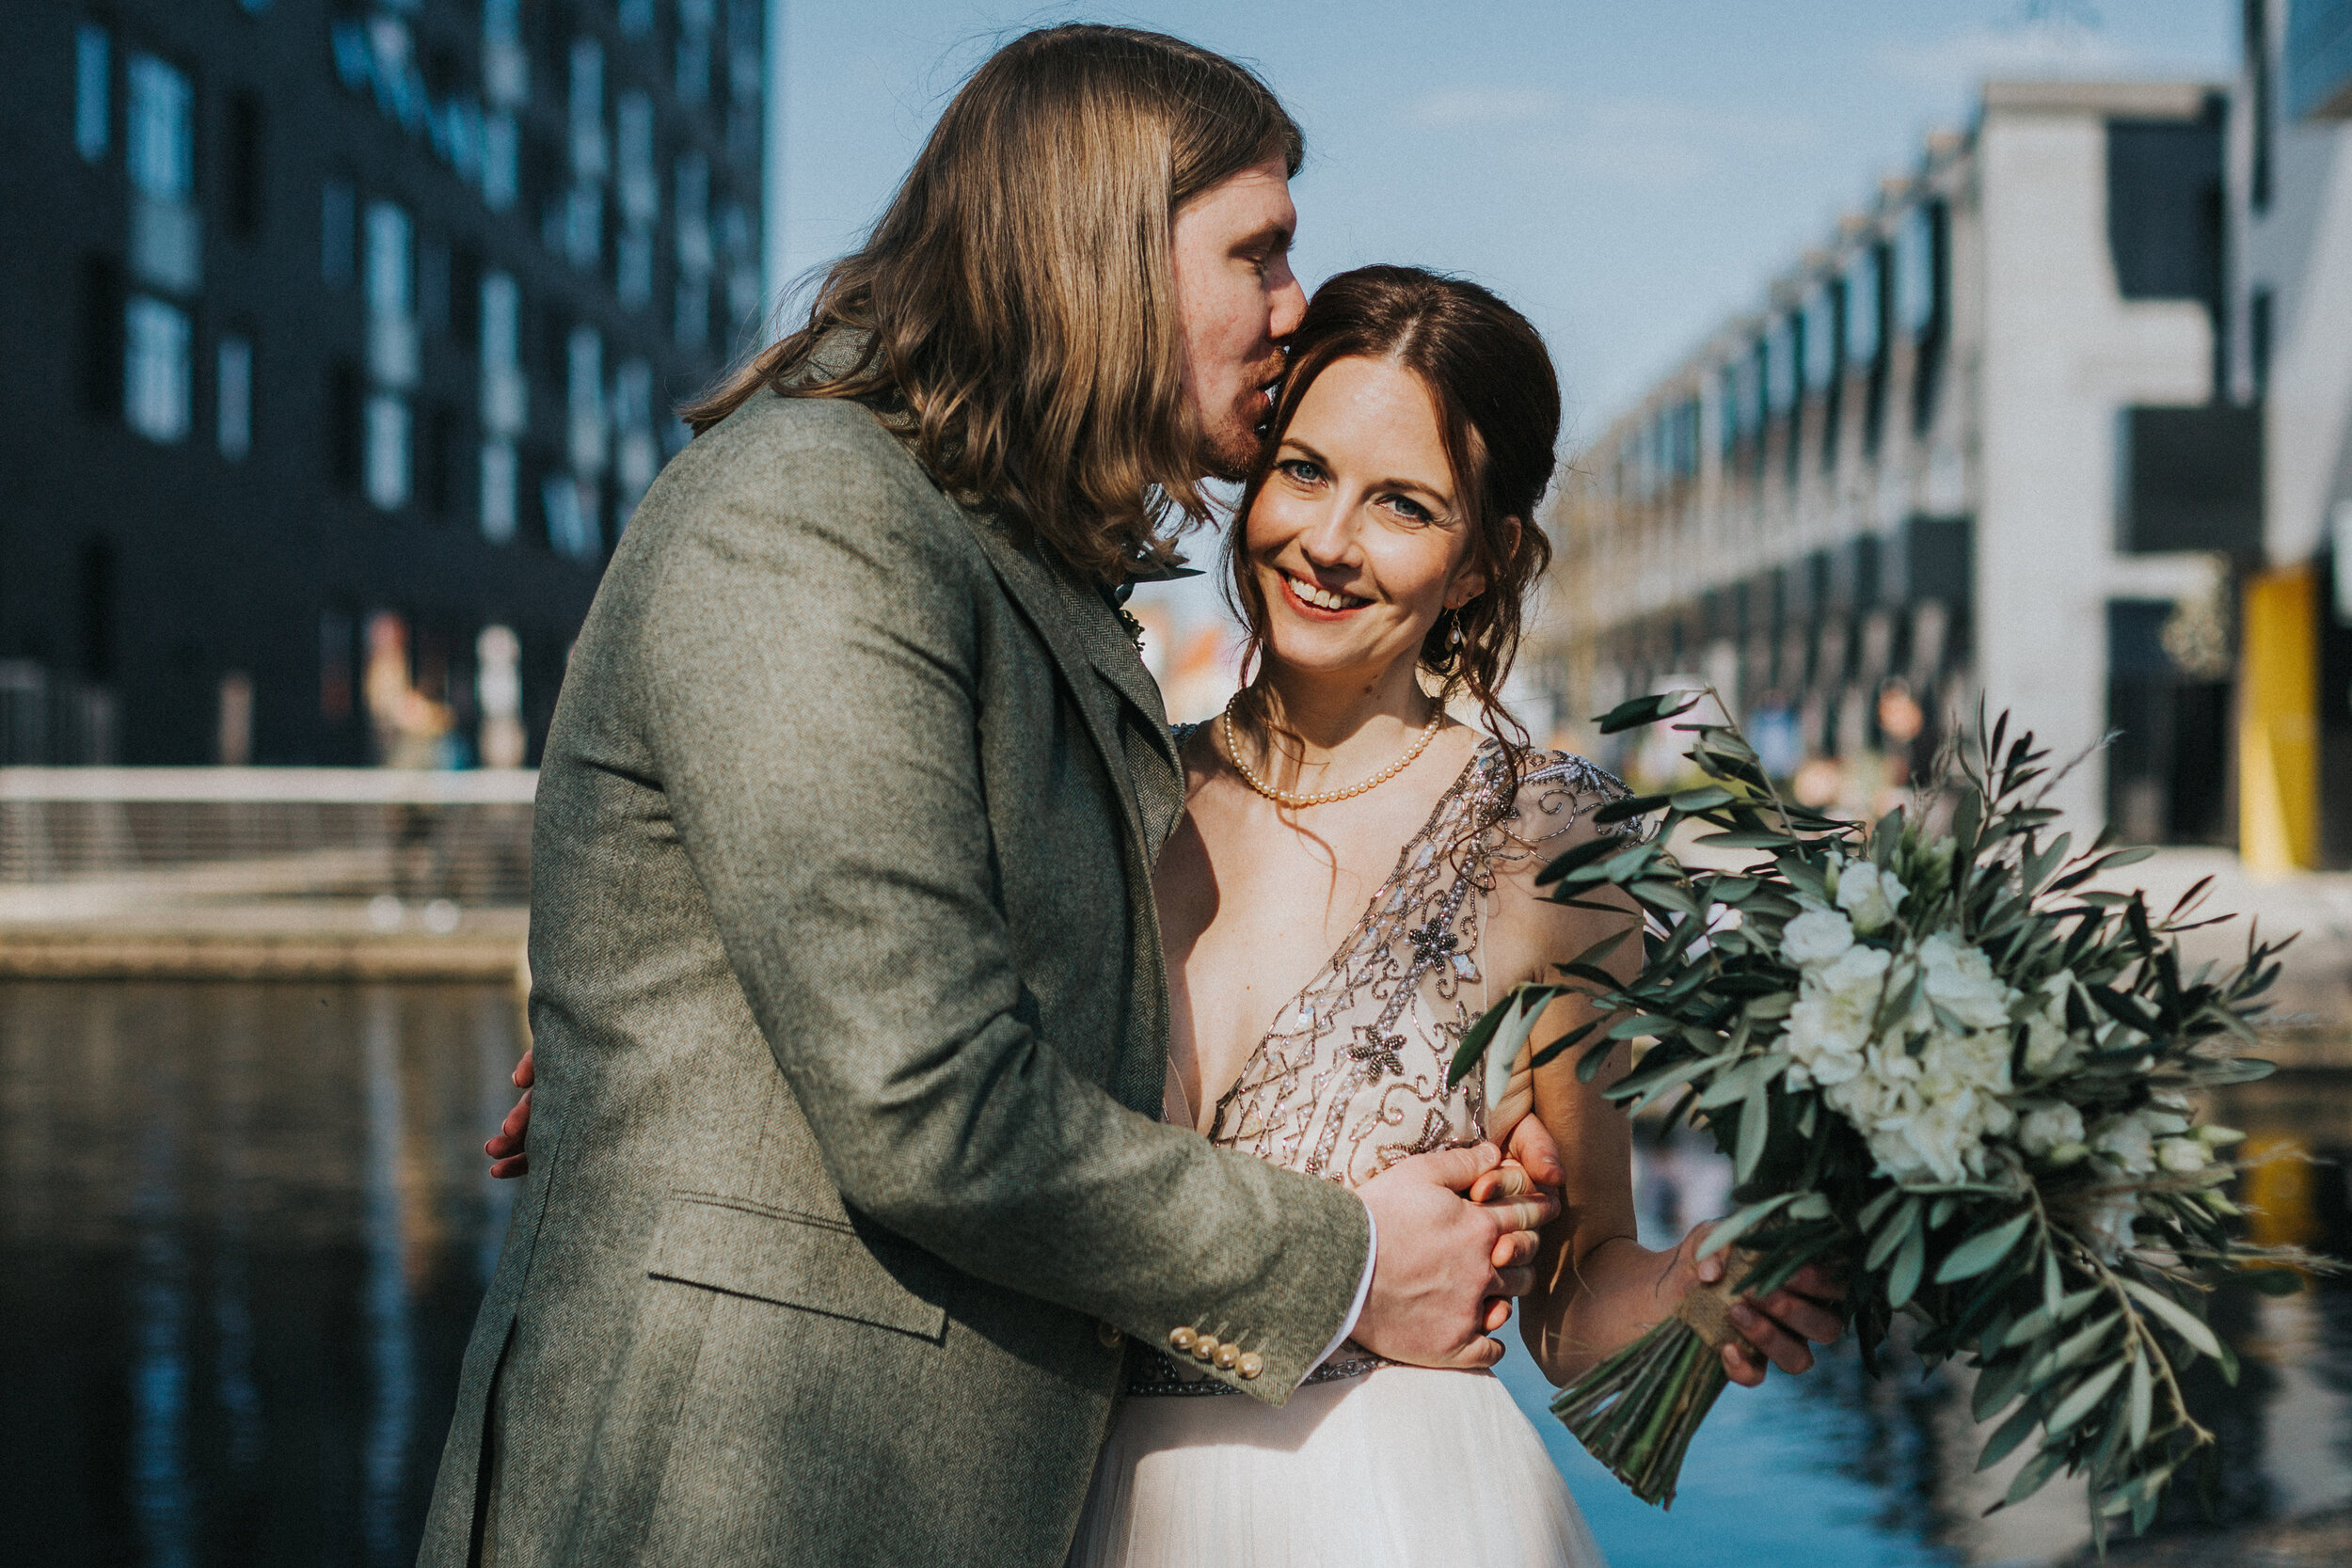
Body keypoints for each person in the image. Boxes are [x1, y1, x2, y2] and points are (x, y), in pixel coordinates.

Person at [487, 266, 1851, 1565]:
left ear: (1486, 557)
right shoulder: (1093, 775)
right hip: (1048, 1502)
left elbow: (1565, 1296)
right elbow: (919, 1077)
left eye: (1403, 505)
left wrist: (1687, 1293)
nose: (1327, 541)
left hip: (1386, 1517)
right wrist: (656, 1074)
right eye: (1304, 472)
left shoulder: (1549, 844)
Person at [422, 27, 1563, 1568]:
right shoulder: (815, 518)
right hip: (741, 1499)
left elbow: (973, 993)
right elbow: (926, 1101)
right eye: (1260, 255)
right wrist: (1353, 1262)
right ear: (1101, 252)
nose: (1294, 313)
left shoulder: (998, 554)